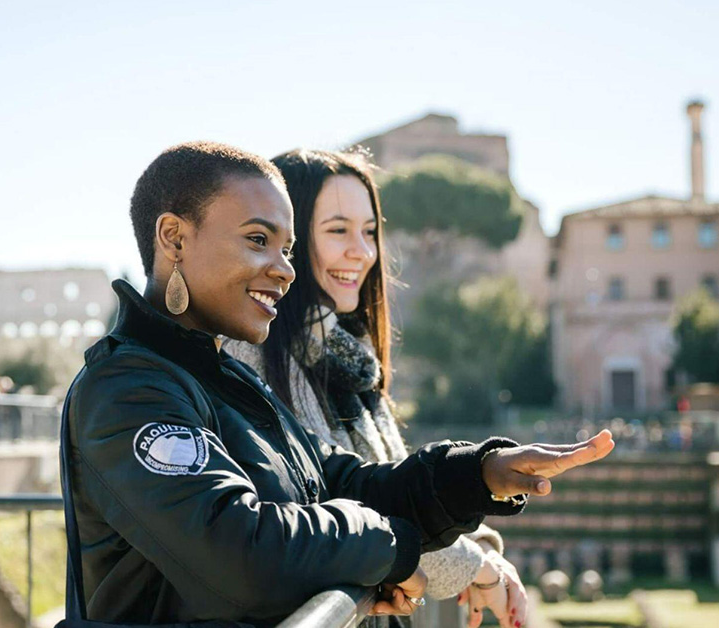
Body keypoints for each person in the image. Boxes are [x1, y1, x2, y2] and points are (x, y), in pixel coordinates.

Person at [62, 141, 614, 624]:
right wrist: (393, 550)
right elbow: (242, 551)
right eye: (258, 239)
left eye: (286, 248)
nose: (284, 269)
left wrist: (480, 472)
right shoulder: (127, 390)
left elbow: (345, 480)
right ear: (174, 238)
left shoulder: (226, 379)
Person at [224, 149, 524, 627]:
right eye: (337, 230)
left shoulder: (351, 360)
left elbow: (394, 483)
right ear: (288, 241)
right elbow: (340, 508)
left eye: (369, 232)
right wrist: (475, 565)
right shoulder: (253, 356)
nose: (362, 252)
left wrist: (482, 548)